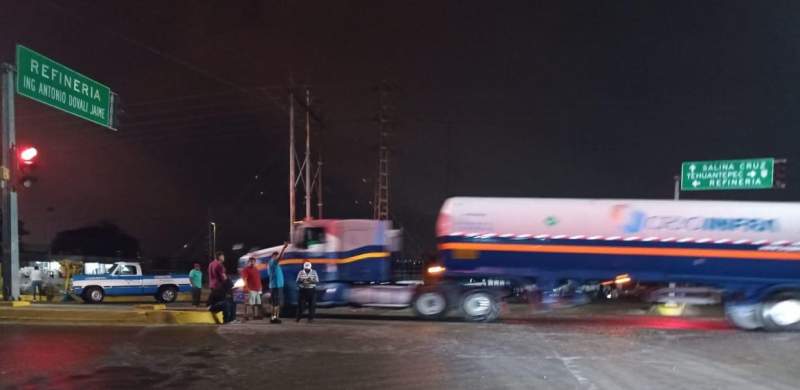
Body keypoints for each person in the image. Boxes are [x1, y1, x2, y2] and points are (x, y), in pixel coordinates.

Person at [267, 243, 289, 324]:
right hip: (275, 286)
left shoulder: (273, 263)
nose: (277, 257)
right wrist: (284, 248)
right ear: (273, 256)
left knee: (275, 303)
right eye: (275, 255)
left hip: (276, 286)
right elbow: (280, 258)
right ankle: (274, 318)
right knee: (275, 303)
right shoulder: (273, 262)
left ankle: (274, 317)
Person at [241, 257, 262, 321]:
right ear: (248, 262)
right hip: (250, 289)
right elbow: (244, 279)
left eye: (253, 261)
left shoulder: (256, 269)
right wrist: (247, 288)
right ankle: (245, 316)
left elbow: (258, 278)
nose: (252, 263)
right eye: (251, 261)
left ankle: (254, 315)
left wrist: (260, 287)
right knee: (248, 303)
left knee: (256, 303)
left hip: (257, 289)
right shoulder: (245, 269)